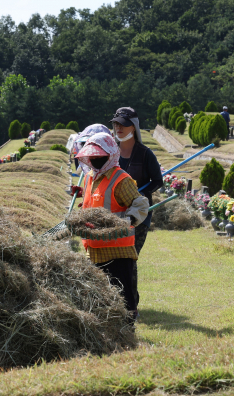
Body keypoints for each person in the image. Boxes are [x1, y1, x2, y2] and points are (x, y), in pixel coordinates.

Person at [74, 133, 149, 323]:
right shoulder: (91, 177)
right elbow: (93, 206)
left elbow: (140, 205)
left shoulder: (121, 179)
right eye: (92, 156)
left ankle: (127, 330)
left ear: (110, 155)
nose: (94, 160)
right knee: (99, 296)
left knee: (122, 297)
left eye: (99, 156)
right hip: (95, 248)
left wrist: (127, 220)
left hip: (118, 250)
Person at [109, 108, 163, 313]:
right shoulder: (111, 152)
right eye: (116, 124)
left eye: (123, 124)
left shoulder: (145, 154)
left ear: (134, 126)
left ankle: (130, 305)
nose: (118, 128)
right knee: (115, 258)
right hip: (114, 213)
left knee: (129, 257)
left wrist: (139, 193)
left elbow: (157, 181)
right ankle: (120, 301)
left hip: (139, 216)